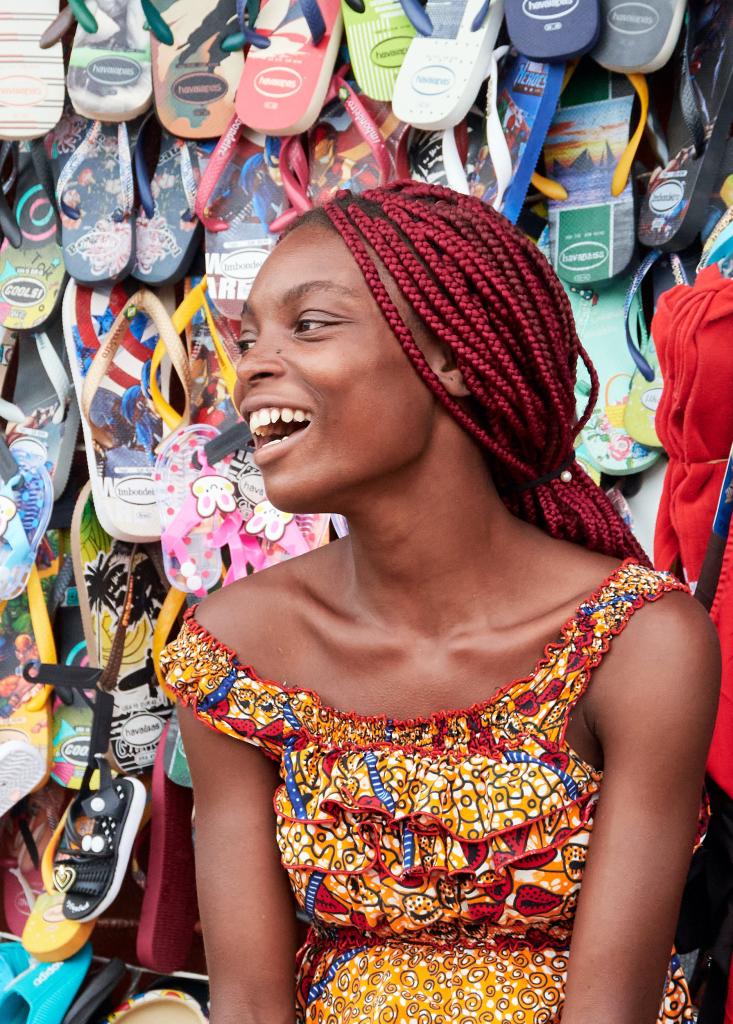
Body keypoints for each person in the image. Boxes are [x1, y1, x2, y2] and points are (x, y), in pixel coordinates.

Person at [160, 182, 721, 1024]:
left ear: (456, 351)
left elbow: (612, 1010)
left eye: (309, 325)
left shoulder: (637, 642)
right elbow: (246, 1004)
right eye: (249, 339)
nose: (253, 367)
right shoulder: (233, 655)